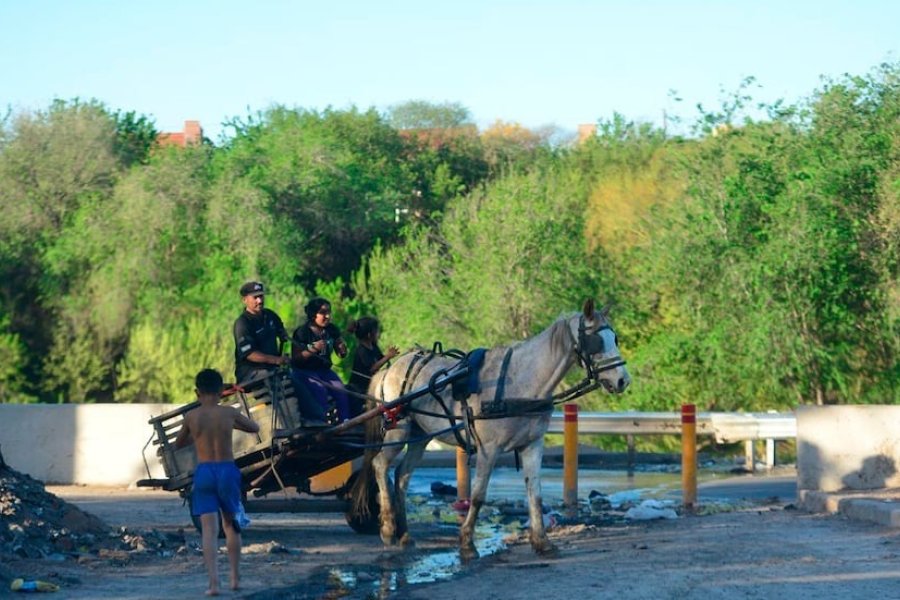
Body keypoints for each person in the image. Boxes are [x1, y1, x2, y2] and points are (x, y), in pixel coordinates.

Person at [175, 368, 260, 596]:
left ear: (197, 393)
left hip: (204, 472)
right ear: (222, 391)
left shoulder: (192, 417)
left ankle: (213, 584)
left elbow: (178, 444)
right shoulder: (229, 413)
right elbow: (255, 428)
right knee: (231, 525)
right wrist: (232, 424)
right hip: (227, 470)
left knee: (209, 531)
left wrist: (198, 433)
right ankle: (235, 578)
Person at [233, 281, 326, 424]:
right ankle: (292, 424)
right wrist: (276, 360)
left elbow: (281, 330)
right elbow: (250, 354)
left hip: (272, 370)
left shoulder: (269, 315)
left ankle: (318, 419)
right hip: (251, 373)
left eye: (261, 296)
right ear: (244, 300)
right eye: (255, 297)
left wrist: (284, 336)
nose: (260, 300)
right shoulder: (242, 323)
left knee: (297, 381)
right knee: (279, 382)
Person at [291, 297, 352, 422]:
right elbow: (296, 359)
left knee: (340, 389)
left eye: (329, 312)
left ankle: (345, 422)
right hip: (305, 371)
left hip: (324, 371)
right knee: (319, 390)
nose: (328, 316)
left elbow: (340, 352)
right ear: (313, 314)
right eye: (323, 313)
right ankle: (321, 423)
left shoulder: (331, 329)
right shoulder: (302, 332)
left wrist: (342, 349)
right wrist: (312, 349)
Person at [346, 316, 399, 415]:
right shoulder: (361, 350)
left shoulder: (373, 346)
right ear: (370, 334)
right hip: (361, 387)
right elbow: (372, 368)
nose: (378, 334)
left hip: (372, 383)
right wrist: (387, 357)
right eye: (377, 331)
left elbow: (380, 359)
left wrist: (389, 358)